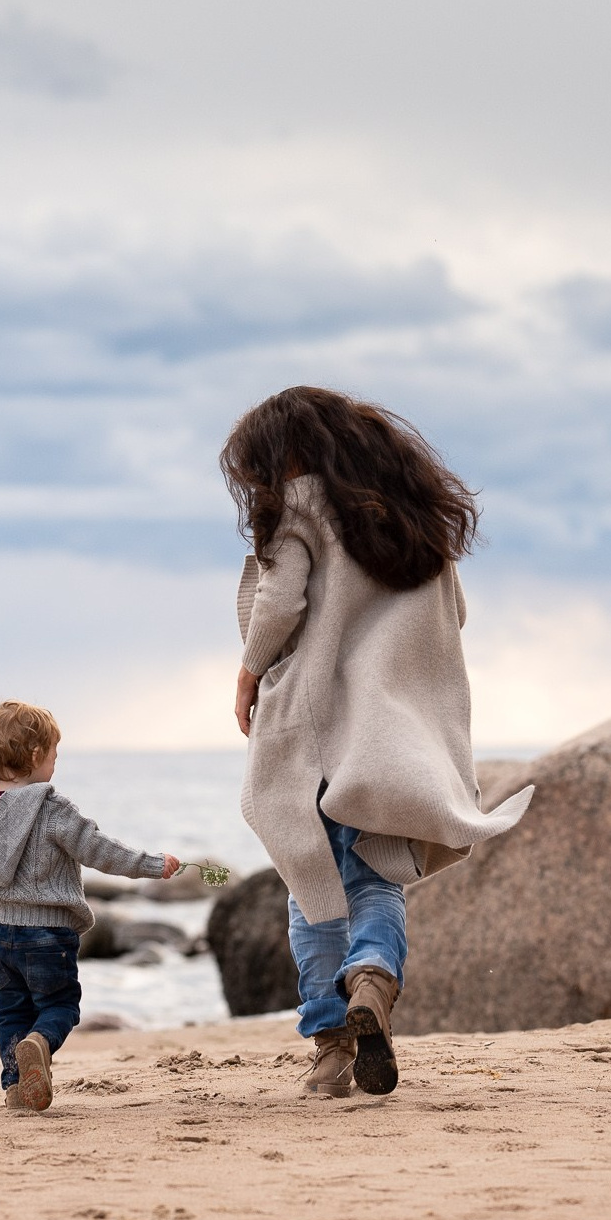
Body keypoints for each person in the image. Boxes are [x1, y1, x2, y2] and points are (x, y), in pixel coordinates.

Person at [222, 386, 533, 1098]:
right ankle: (373, 979)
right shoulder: (413, 516)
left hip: (315, 735)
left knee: (312, 886)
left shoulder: (297, 509)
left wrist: (246, 673)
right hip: (389, 740)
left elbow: (279, 602)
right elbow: (454, 613)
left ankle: (331, 1047)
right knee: (376, 875)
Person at [0, 700, 179, 1111]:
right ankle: (40, 1044)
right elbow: (100, 851)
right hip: (47, 933)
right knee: (60, 1006)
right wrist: (153, 865)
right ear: (36, 756)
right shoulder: (52, 809)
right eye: (55, 755)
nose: (55, 763)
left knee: (11, 1014)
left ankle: (16, 1089)